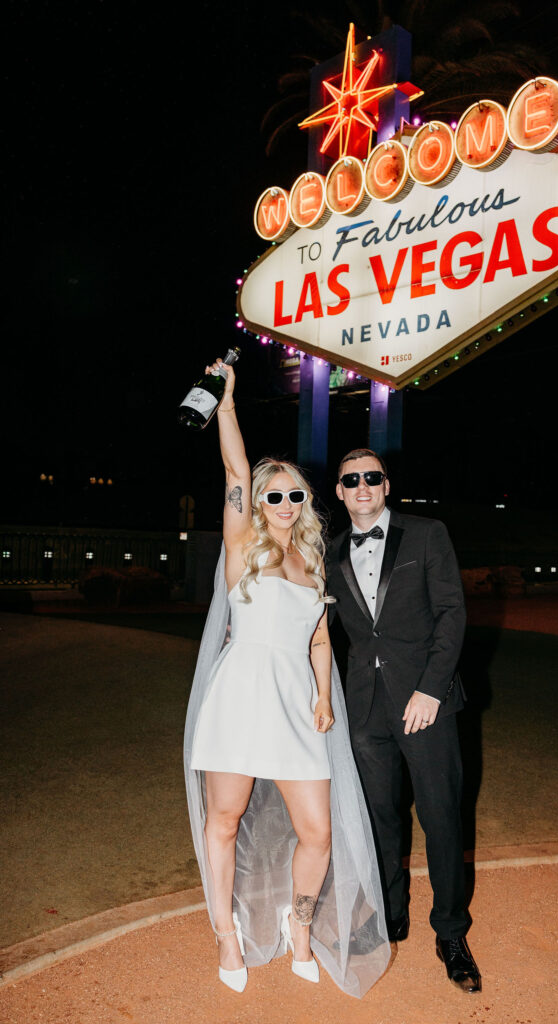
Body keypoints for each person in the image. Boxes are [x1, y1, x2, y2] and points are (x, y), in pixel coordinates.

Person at [183, 365, 389, 998]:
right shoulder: (242, 544)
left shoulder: (312, 562)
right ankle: (226, 932)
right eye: (273, 494)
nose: (283, 502)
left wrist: (324, 695)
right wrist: (228, 404)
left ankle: (298, 926)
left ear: (305, 502)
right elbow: (237, 474)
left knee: (318, 832)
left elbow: (319, 637)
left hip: (298, 705)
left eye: (294, 494)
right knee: (225, 818)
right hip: (242, 694)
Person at [326, 448, 481, 993]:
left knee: (441, 818)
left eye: (372, 477)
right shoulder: (330, 550)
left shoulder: (426, 533)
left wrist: (430, 690)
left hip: (425, 703)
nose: (363, 486)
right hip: (364, 708)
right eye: (352, 480)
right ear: (340, 492)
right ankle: (391, 912)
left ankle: (451, 932)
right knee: (377, 820)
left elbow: (451, 613)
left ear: (386, 485)